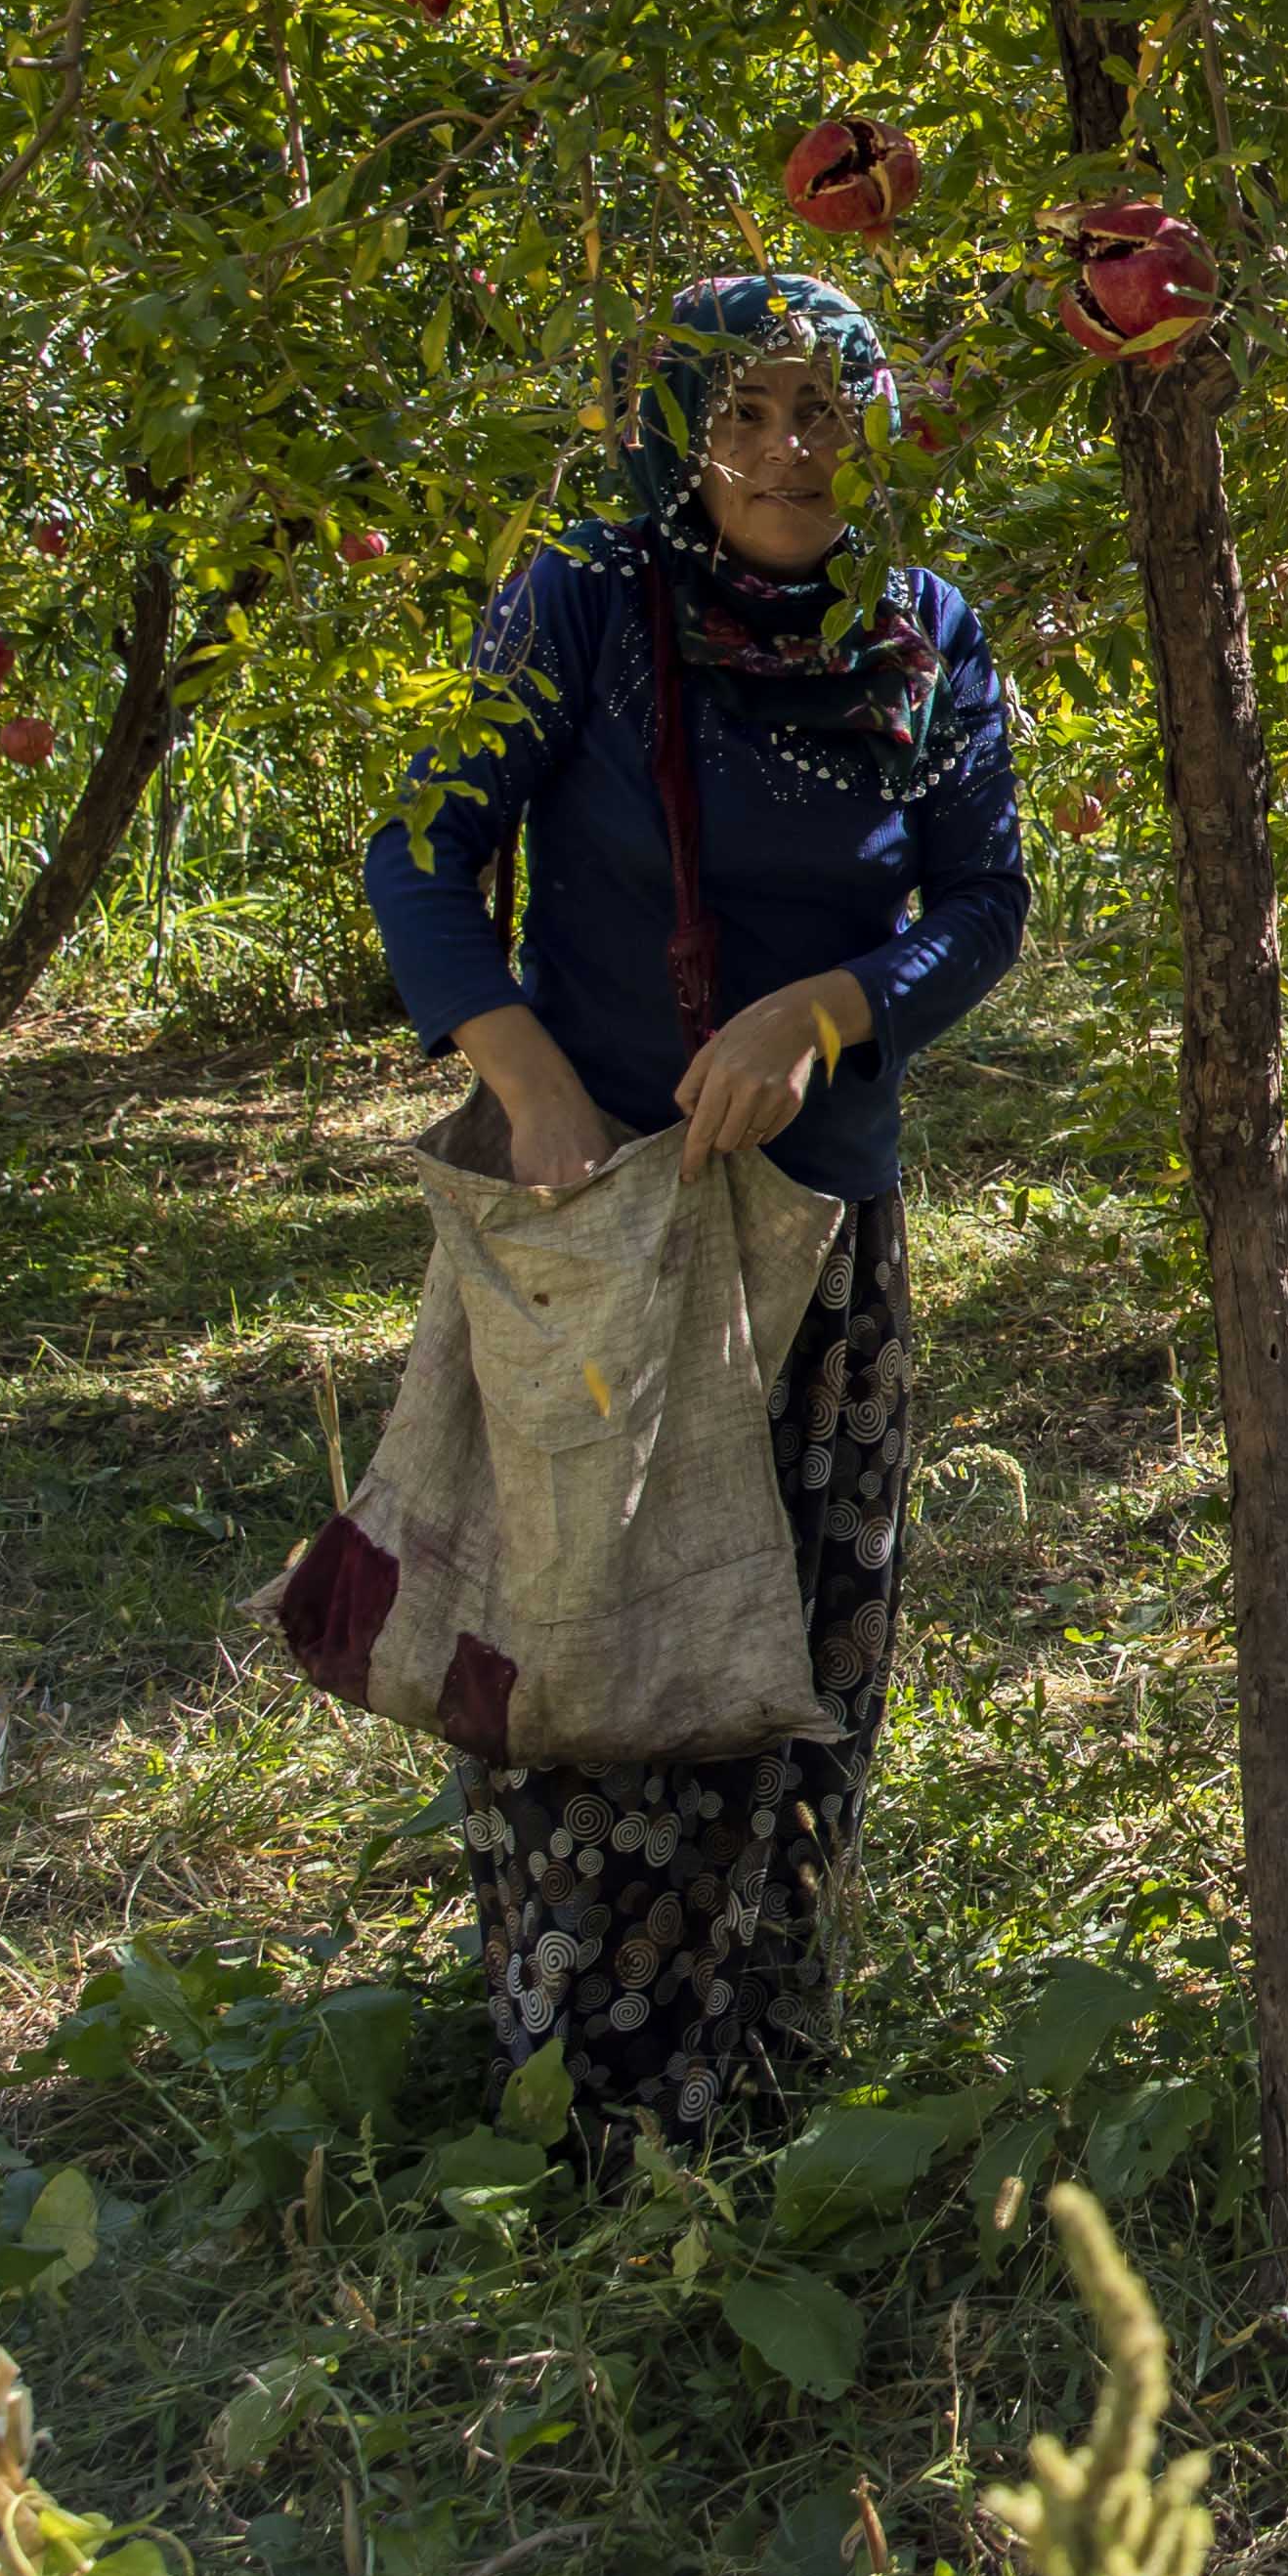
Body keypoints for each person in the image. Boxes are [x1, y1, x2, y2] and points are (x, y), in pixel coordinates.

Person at [364, 273, 1033, 2143]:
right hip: (599, 1210)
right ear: (678, 432)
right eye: (740, 415)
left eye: (823, 412)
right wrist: (531, 1076)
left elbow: (983, 901)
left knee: (791, 1639)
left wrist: (830, 1010)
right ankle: (580, 2076)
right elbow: (422, 850)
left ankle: (759, 2051)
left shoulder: (922, 632)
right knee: (587, 1627)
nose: (784, 455)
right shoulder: (589, 598)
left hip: (813, 1214)